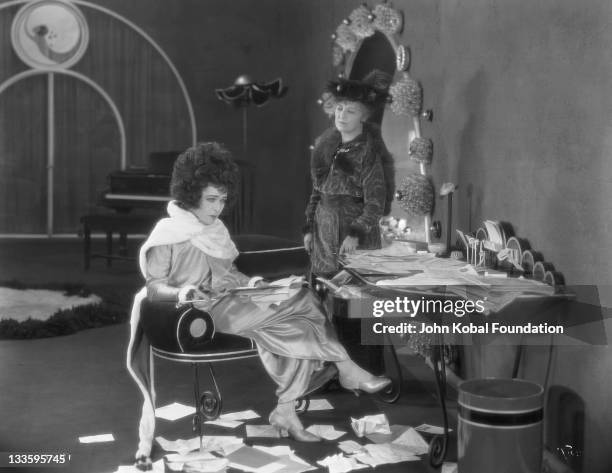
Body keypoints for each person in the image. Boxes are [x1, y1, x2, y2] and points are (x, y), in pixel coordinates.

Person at [127, 142, 391, 464]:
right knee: (303, 306)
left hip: (233, 300)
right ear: (191, 194)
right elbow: (154, 285)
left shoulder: (217, 230)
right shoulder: (168, 233)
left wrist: (256, 284)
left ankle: (286, 411)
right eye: (211, 199)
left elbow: (230, 274)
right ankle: (345, 368)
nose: (218, 208)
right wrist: (183, 294)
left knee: (301, 307)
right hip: (202, 311)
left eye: (223, 200)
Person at [303, 71, 395, 278]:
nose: (342, 116)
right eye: (339, 108)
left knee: (353, 294)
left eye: (351, 111)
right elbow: (316, 193)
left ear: (364, 116)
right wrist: (309, 227)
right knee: (323, 291)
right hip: (323, 234)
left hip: (354, 237)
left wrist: (356, 233)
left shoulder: (369, 152)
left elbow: (375, 203)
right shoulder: (324, 147)